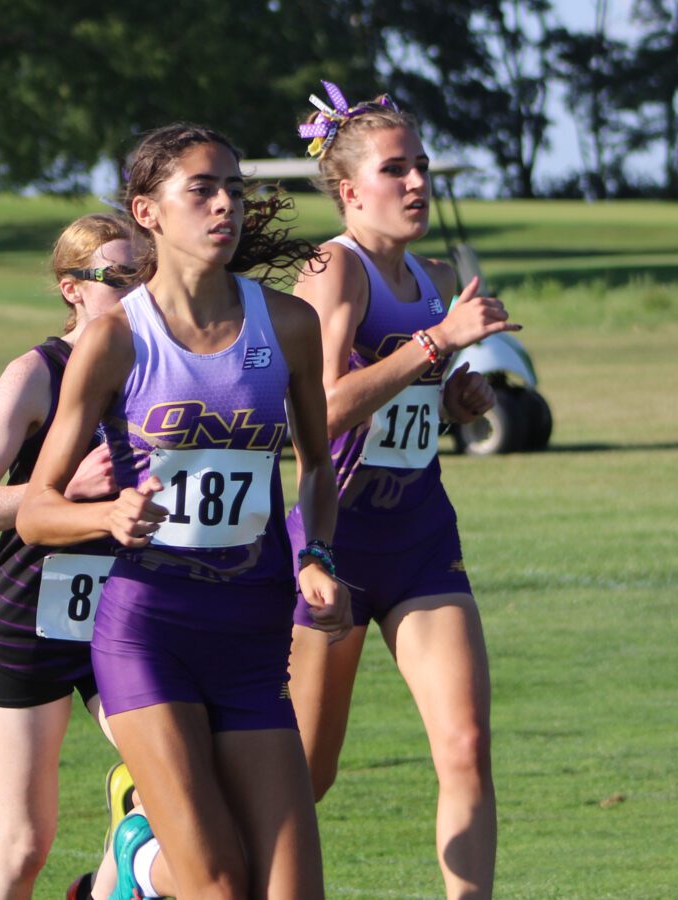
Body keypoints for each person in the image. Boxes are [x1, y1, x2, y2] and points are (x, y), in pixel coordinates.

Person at [16, 123, 351, 900]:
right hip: (148, 633)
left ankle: (142, 853)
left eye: (233, 187)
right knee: (221, 887)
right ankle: (139, 852)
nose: (225, 204)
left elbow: (317, 469)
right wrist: (103, 518)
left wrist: (318, 554)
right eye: (201, 188)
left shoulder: (288, 326)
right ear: (149, 211)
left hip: (255, 638)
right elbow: (36, 510)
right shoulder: (114, 341)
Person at [286, 81, 521, 899]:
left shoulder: (427, 272)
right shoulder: (333, 268)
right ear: (350, 191)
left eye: (421, 166)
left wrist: (456, 399)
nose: (418, 182)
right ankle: (148, 832)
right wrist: (437, 344)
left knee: (464, 745)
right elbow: (313, 413)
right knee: (307, 776)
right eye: (397, 170)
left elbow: (405, 400)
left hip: (421, 537)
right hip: (334, 542)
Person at [0, 213, 138, 900]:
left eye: (145, 273)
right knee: (25, 844)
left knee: (186, 784)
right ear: (72, 289)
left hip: (126, 621)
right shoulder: (36, 373)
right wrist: (58, 491)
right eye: (118, 277)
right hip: (29, 623)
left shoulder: (155, 370)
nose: (136, 288)